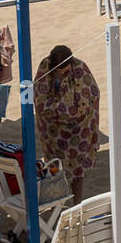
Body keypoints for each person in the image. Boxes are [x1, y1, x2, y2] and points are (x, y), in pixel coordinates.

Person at [34, 45, 100, 202]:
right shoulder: (45, 68)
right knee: (53, 164)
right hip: (52, 131)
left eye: (66, 71)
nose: (63, 74)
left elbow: (90, 96)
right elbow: (39, 98)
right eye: (59, 72)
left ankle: (76, 203)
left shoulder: (80, 70)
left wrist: (61, 111)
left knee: (77, 170)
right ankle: (57, 198)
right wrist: (59, 110)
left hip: (78, 129)